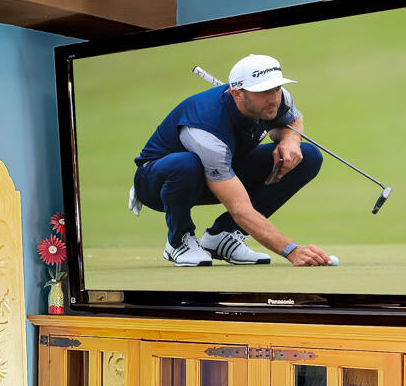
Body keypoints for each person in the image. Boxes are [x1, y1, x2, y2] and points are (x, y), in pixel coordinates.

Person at [130, 54, 332, 266]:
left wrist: (290, 140)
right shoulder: (207, 131)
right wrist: (292, 251)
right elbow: (240, 208)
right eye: (263, 91)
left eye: (276, 89)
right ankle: (178, 240)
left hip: (220, 168)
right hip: (159, 182)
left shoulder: (278, 99)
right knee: (186, 164)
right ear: (237, 95)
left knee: (307, 156)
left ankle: (224, 236)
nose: (273, 98)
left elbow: (292, 120)